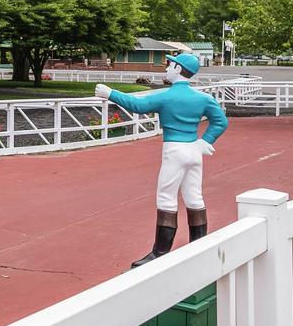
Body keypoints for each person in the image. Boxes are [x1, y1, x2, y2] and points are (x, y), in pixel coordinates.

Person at [94, 53, 228, 268]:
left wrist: (110, 93)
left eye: (169, 65)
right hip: (194, 149)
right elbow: (220, 121)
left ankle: (160, 251)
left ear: (177, 69)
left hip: (174, 149)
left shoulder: (167, 97)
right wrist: (206, 141)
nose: (166, 68)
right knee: (194, 196)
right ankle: (199, 244)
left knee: (166, 197)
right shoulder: (203, 98)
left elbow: (137, 105)